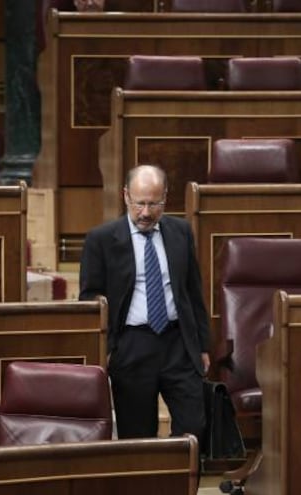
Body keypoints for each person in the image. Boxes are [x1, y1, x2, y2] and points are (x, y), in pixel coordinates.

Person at [79, 164, 210, 446]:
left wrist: (202, 345)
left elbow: (193, 291)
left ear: (165, 198)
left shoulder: (181, 232)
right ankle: (145, 490)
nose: (146, 213)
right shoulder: (101, 240)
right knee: (137, 437)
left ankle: (179, 489)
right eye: (140, 204)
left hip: (179, 344)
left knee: (193, 428)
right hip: (132, 347)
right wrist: (106, 350)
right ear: (126, 196)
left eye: (154, 204)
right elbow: (90, 299)